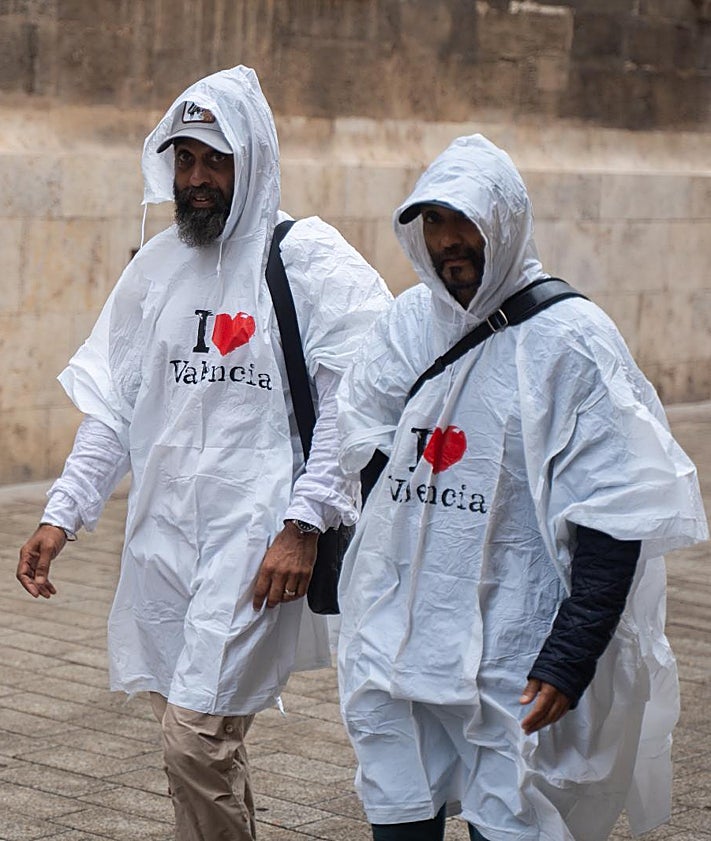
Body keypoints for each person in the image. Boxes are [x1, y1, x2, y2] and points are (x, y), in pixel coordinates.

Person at [16, 66, 391, 841]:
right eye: (184, 160)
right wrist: (64, 513)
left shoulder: (307, 260)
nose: (196, 180)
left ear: (250, 160)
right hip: (159, 544)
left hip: (254, 546)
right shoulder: (155, 270)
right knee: (199, 744)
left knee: (195, 734)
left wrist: (304, 520)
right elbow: (116, 405)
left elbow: (355, 402)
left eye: (214, 160)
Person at [335, 134, 708, 841]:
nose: (449, 241)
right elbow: (364, 445)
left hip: (512, 657)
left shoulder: (571, 342)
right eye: (434, 221)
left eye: (465, 219)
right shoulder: (409, 323)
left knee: (510, 822)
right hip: (396, 645)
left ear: (505, 220)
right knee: (396, 814)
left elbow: (615, 510)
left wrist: (568, 655)